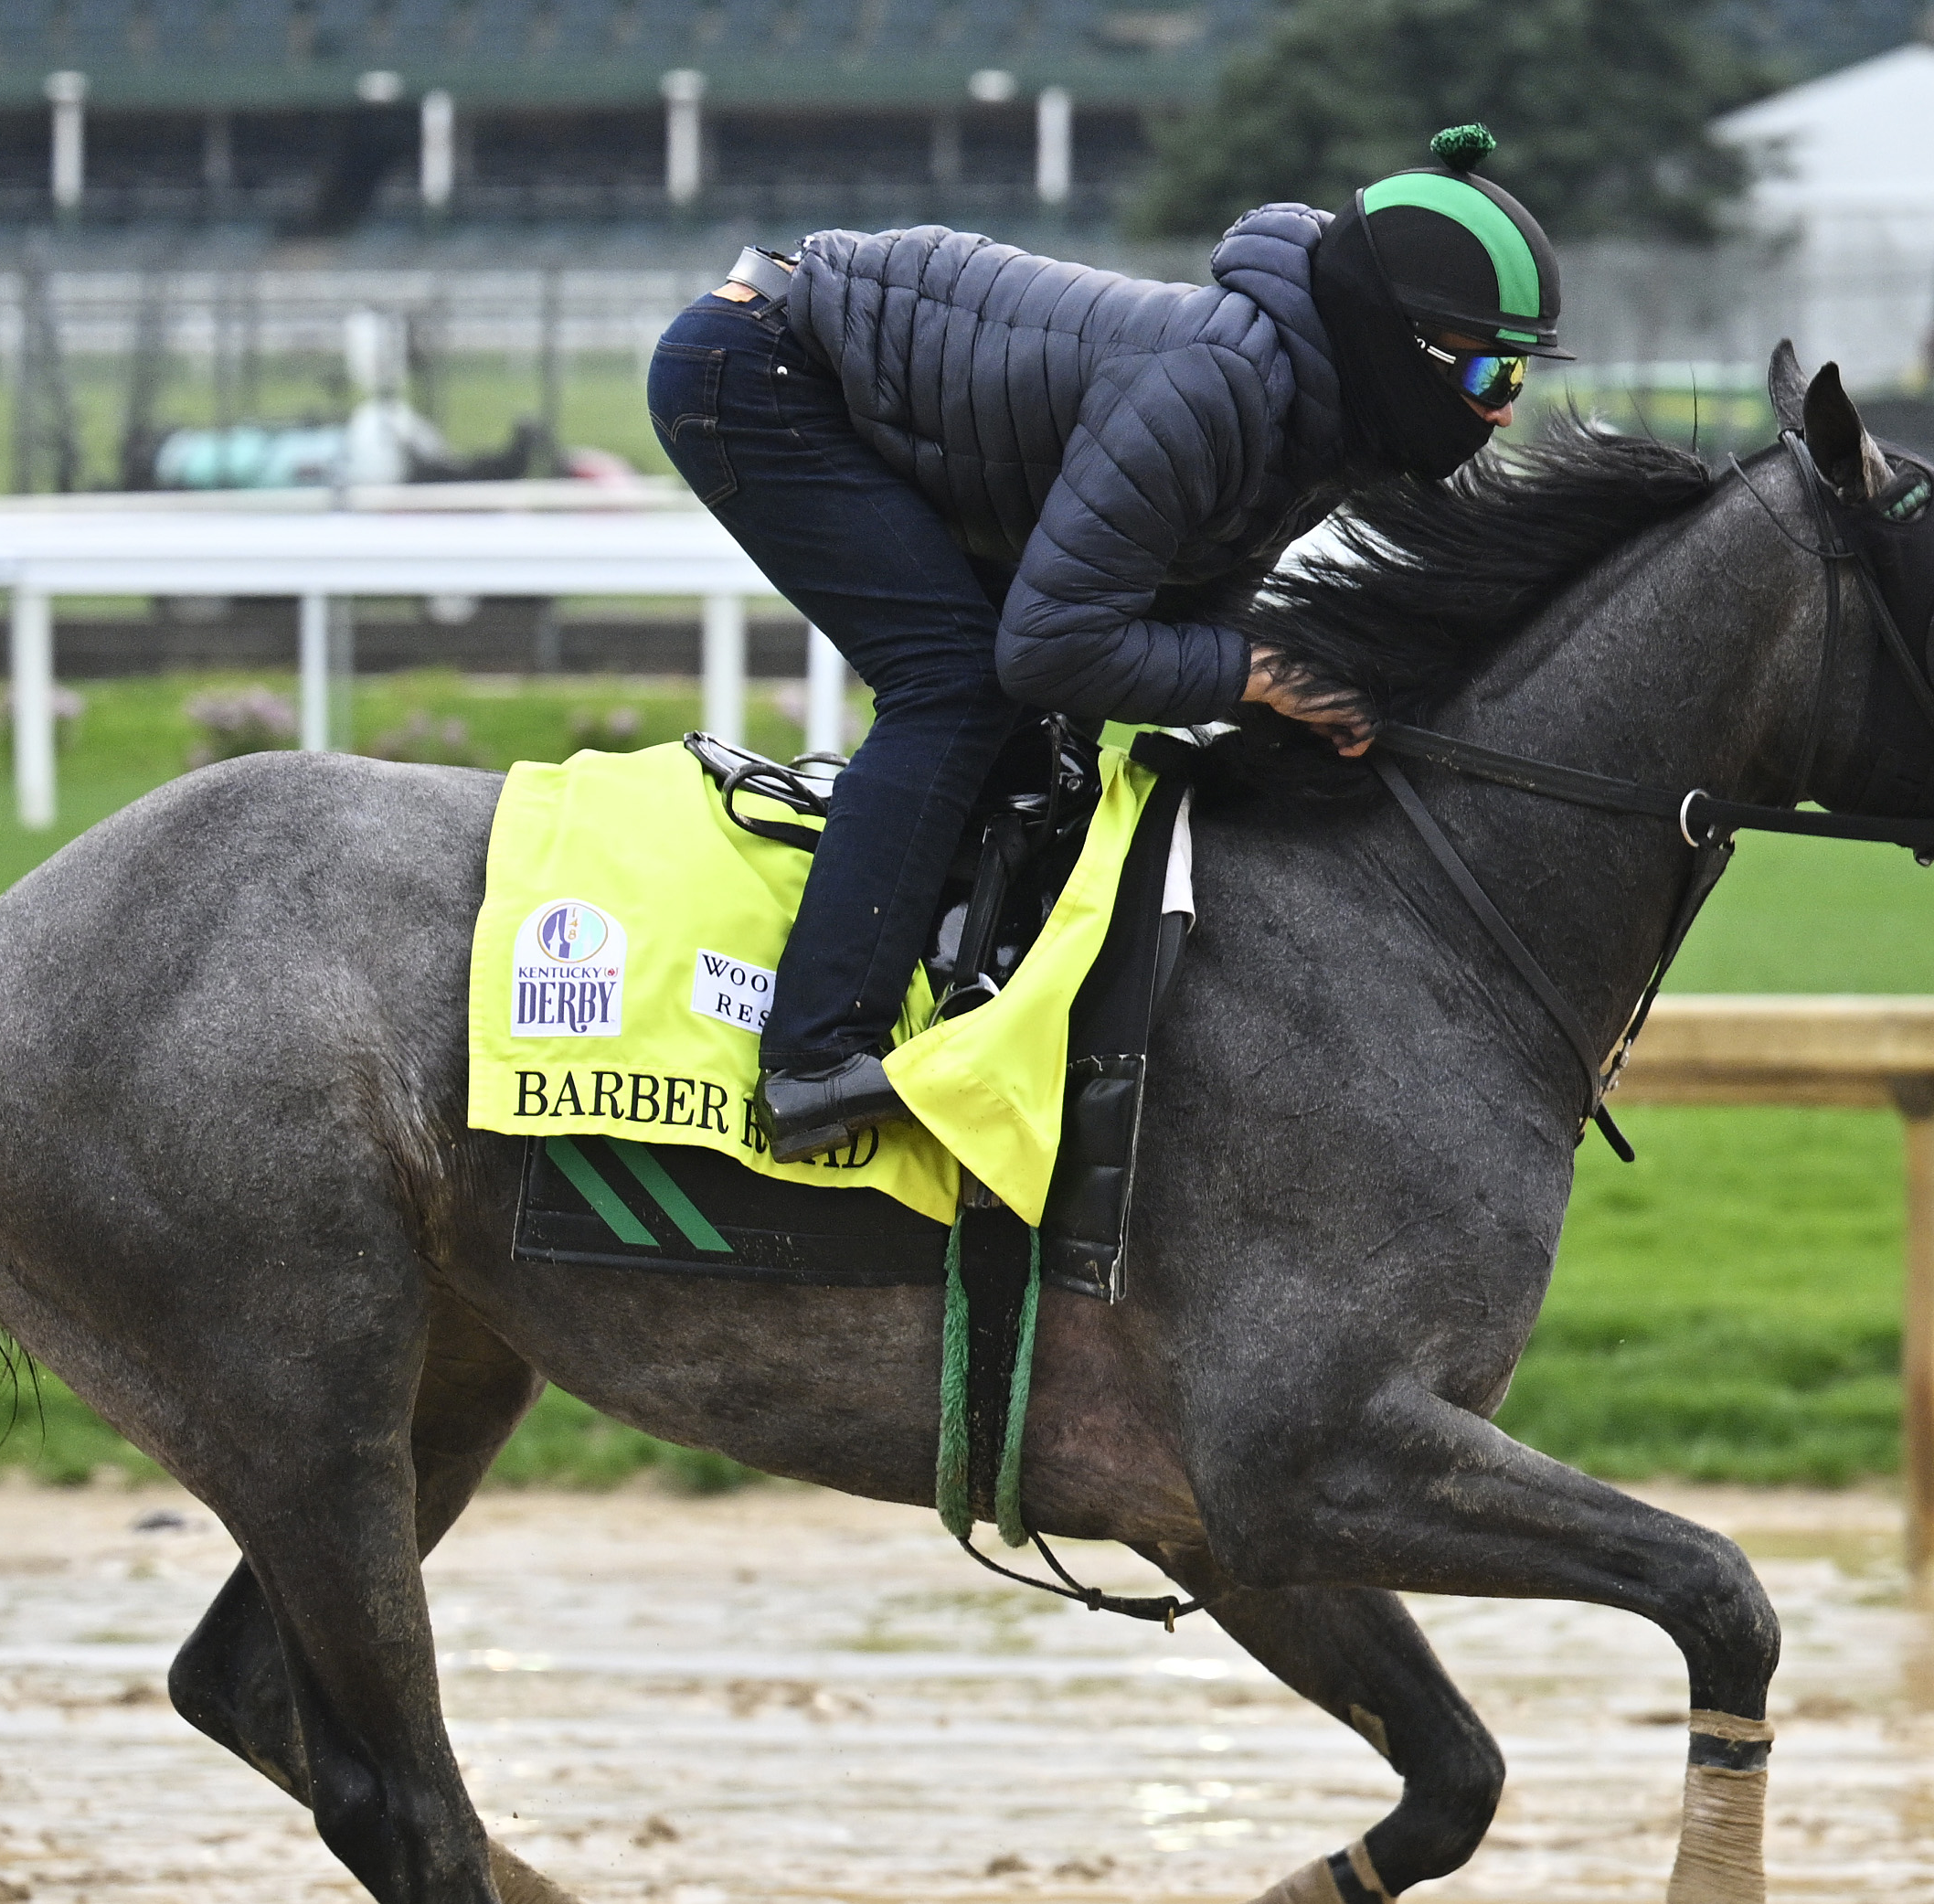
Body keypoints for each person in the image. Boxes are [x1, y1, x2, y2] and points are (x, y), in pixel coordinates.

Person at [647, 125, 1565, 1161]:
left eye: (1518, 379)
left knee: (1040, 737)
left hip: (847, 371)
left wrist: (1289, 692)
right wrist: (1261, 675)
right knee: (954, 686)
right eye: (1490, 372)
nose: (1499, 412)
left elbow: (1177, 625)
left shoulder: (1320, 429)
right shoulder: (1212, 388)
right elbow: (1047, 648)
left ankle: (964, 994)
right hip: (757, 365)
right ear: (1399, 348)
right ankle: (813, 1059)